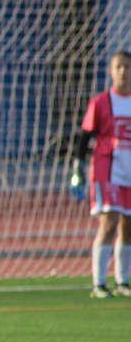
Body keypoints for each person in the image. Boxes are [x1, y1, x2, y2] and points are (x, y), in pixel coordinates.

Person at [70, 50, 131, 298]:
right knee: (109, 221)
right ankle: (98, 283)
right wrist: (77, 169)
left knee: (128, 225)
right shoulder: (101, 102)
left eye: (127, 67)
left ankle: (122, 281)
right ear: (111, 71)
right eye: (119, 67)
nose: (123, 72)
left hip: (129, 169)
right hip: (107, 170)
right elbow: (85, 137)